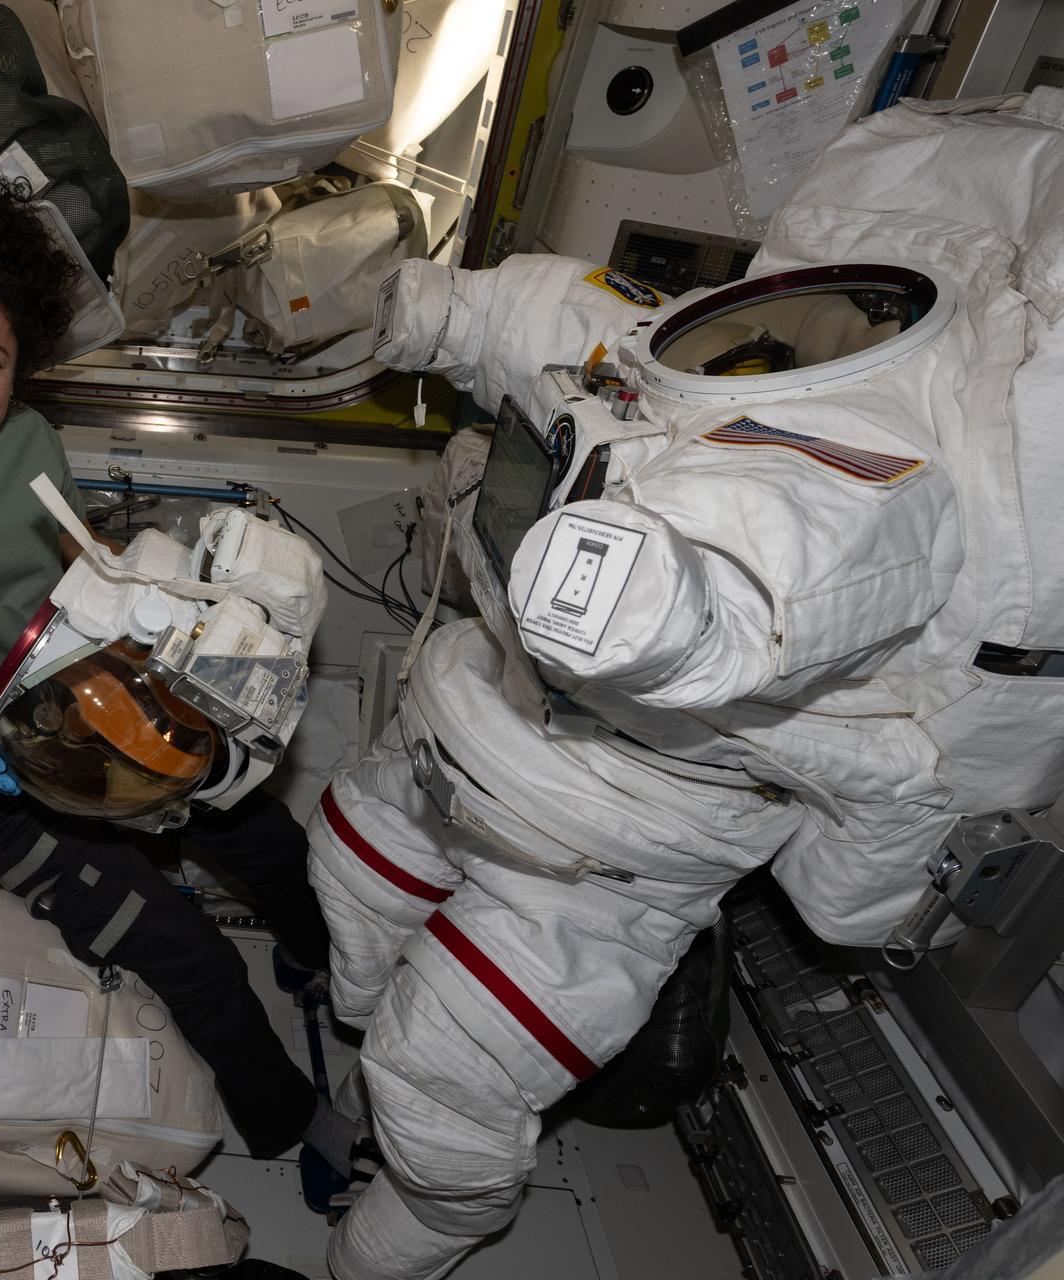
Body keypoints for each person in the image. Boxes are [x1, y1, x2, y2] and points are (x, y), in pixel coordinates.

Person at [312, 88, 1064, 1279]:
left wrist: (657, 614)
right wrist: (418, 308)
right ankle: (346, 1052)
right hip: (468, 726)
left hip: (606, 856)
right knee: (348, 871)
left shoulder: (877, 490)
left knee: (440, 1077)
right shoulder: (694, 350)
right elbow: (550, 321)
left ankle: (386, 1243)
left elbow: (781, 608)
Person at [0, 169, 354, 1173]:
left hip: (99, 704)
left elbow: (75, 584)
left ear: (20, 365)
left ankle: (320, 963)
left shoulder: (31, 440)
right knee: (188, 951)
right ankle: (297, 1119)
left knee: (264, 833)